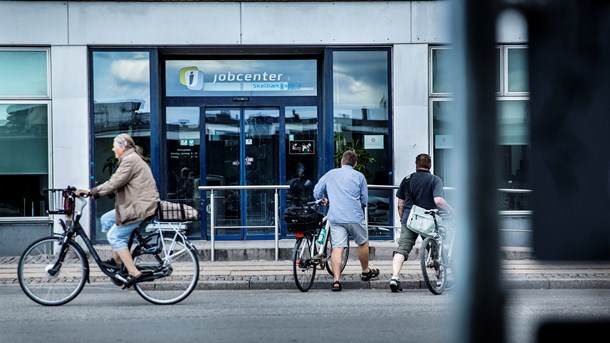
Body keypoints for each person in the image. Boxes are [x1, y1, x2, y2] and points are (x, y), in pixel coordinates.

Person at [76, 133, 160, 289]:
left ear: (122, 147)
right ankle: (117, 261)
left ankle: (134, 272)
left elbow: (114, 182)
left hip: (139, 207)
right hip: (135, 204)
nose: (113, 149)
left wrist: (90, 192)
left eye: (114, 146)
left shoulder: (130, 160)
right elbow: (119, 183)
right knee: (106, 220)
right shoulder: (130, 158)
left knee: (115, 236)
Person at [313, 150, 379, 292]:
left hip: (336, 216)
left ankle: (336, 280)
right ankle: (365, 271)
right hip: (355, 216)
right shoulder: (359, 176)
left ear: (342, 161)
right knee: (362, 242)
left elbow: (317, 190)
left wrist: (321, 200)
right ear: (355, 163)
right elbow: (364, 199)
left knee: (337, 247)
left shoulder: (331, 174)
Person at [389, 153, 454, 292]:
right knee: (435, 249)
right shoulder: (435, 180)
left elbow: (400, 204)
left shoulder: (406, 180)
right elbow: (438, 201)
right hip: (429, 221)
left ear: (416, 165)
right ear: (430, 165)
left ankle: (394, 277)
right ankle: (440, 280)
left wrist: (402, 219)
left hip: (410, 219)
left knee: (402, 249)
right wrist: (452, 210)